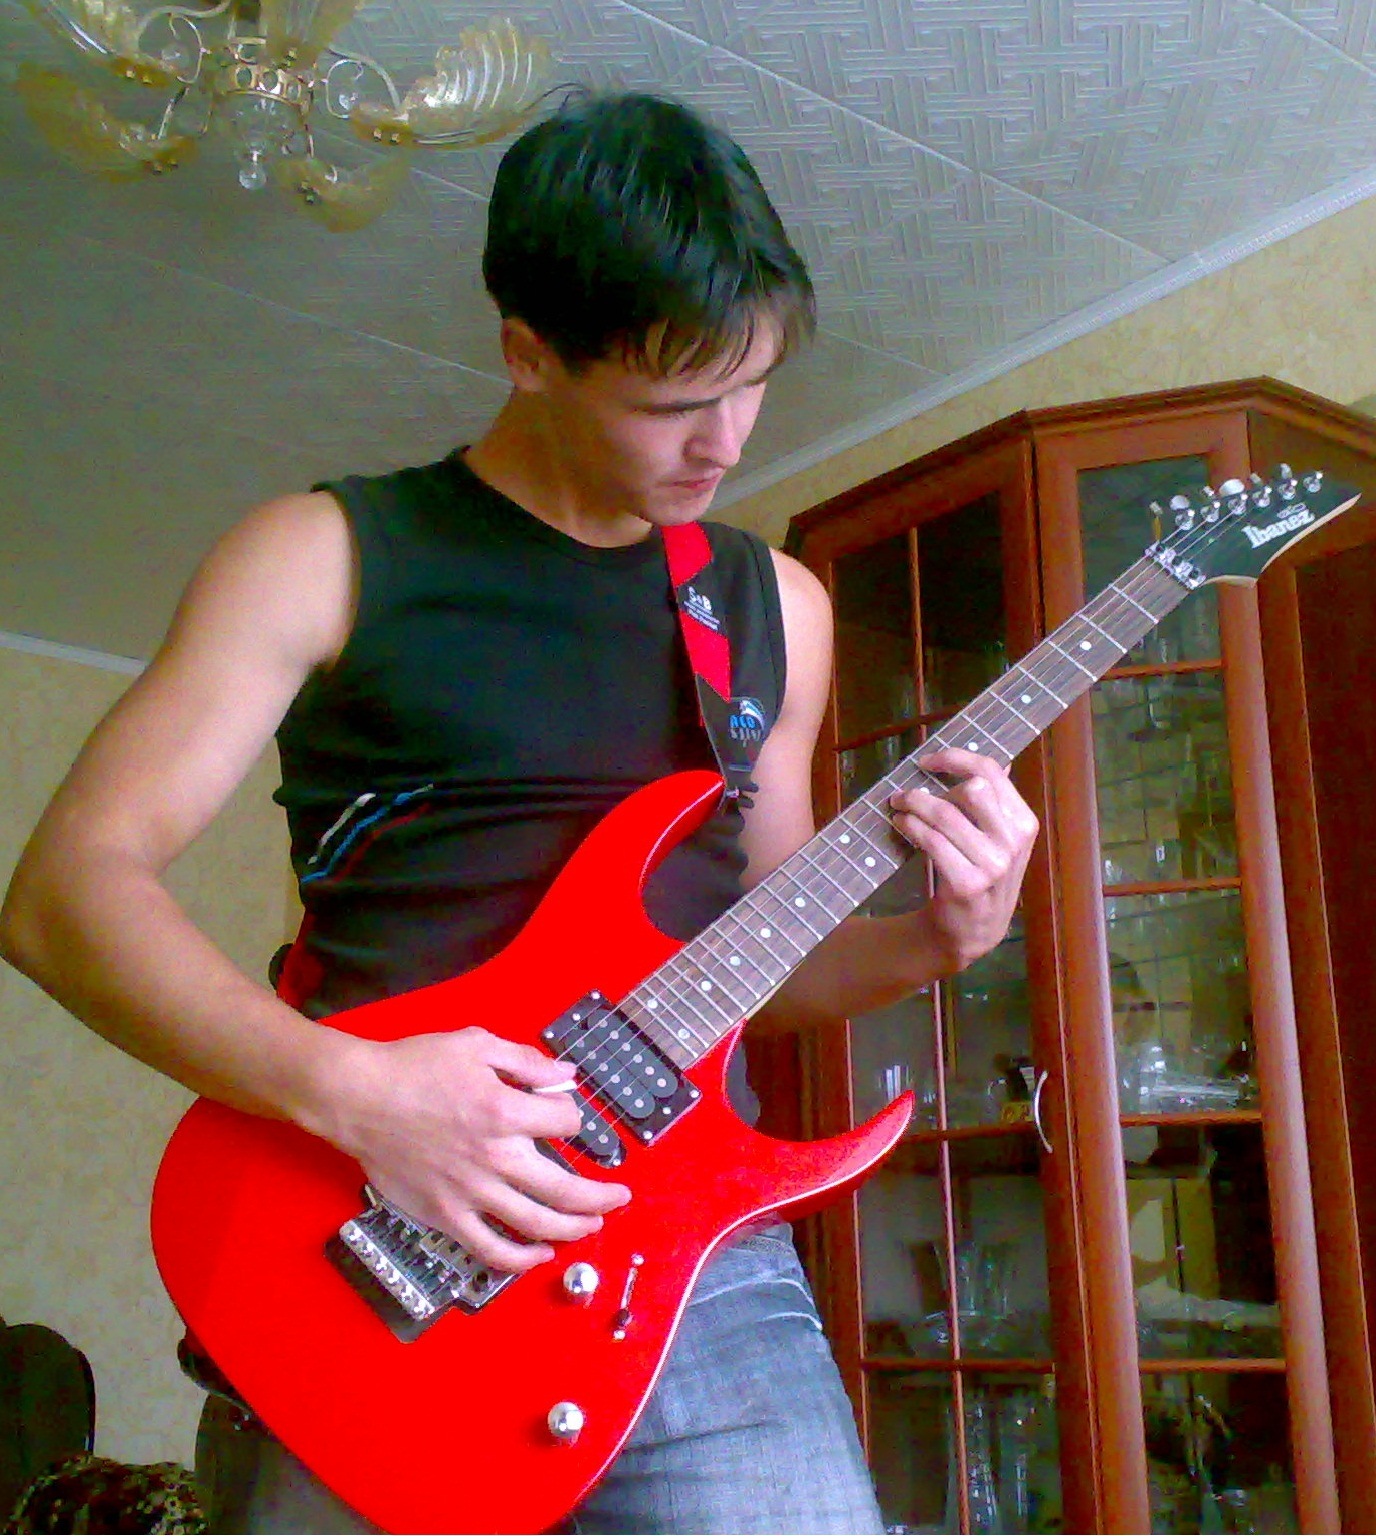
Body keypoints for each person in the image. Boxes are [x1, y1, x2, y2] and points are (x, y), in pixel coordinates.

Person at [0, 91, 1039, 1534]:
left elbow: (766, 964)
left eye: (751, 385)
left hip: (689, 1260)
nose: (725, 444)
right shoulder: (321, 555)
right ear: (529, 354)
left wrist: (941, 938)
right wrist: (361, 1097)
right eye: (672, 403)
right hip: (376, 1238)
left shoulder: (774, 609)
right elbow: (65, 893)